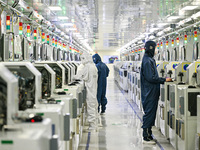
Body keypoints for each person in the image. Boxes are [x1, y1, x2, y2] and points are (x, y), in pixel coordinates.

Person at [140, 41, 172, 144]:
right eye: (155, 48)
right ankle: (145, 137)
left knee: (151, 112)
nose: (156, 50)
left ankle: (149, 134)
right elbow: (151, 77)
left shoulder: (149, 60)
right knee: (149, 112)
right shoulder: (147, 61)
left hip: (151, 90)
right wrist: (164, 79)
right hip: (150, 91)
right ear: (151, 48)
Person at [74, 53, 98, 132]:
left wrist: (73, 77)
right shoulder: (93, 66)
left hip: (90, 89)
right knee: (94, 105)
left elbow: (81, 76)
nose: (82, 60)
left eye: (83, 58)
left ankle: (92, 127)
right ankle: (95, 125)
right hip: (93, 89)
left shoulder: (87, 67)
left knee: (90, 106)